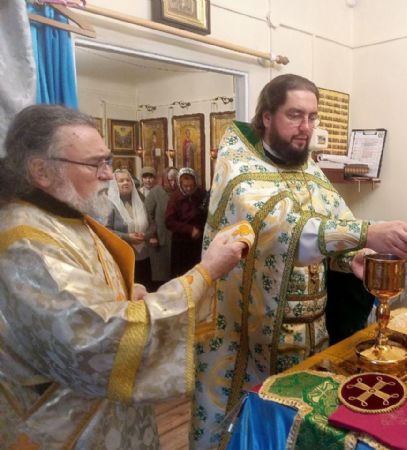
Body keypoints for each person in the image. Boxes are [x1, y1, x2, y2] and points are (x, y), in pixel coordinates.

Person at [191, 73, 407, 448]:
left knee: (307, 426)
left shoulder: (310, 171)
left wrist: (353, 257)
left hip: (315, 334)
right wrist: (367, 232)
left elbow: (333, 228)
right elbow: (282, 229)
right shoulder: (238, 171)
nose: (306, 127)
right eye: (294, 115)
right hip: (252, 343)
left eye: (312, 117)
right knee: (258, 432)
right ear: (267, 117)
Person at [0, 104, 249, 449]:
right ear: (41, 171)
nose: (108, 175)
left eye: (108, 161)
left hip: (101, 414)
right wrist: (206, 272)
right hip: (66, 427)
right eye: (95, 164)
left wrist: (122, 291)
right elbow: (100, 339)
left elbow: (79, 298)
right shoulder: (26, 243)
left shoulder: (61, 216)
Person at [106, 169, 153, 289]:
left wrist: (145, 235)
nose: (125, 183)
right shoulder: (109, 205)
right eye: (121, 181)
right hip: (122, 257)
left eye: (128, 180)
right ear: (114, 185)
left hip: (144, 256)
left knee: (145, 289)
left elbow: (153, 225)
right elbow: (106, 231)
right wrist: (127, 237)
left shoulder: (141, 201)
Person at [165, 167, 209, 277]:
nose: (189, 189)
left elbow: (206, 215)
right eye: (185, 186)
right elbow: (169, 221)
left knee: (197, 273)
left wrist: (199, 229)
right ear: (180, 184)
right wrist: (189, 229)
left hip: (198, 241)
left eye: (191, 186)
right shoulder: (175, 197)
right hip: (181, 243)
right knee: (182, 275)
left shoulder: (201, 194)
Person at [145, 166, 179, 290]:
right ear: (164, 179)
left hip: (175, 238)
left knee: (174, 274)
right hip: (160, 238)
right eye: (170, 180)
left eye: (175, 180)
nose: (173, 183)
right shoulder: (155, 192)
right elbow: (148, 215)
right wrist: (153, 235)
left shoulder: (179, 192)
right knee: (160, 273)